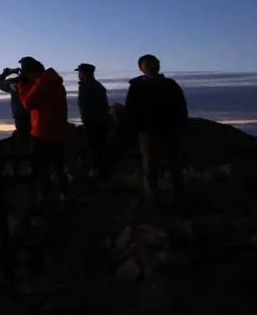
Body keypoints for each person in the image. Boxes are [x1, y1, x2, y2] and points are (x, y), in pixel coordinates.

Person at [124, 54, 188, 210]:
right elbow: (131, 110)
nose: (154, 65)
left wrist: (179, 125)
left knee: (173, 166)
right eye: (150, 63)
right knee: (150, 167)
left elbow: (181, 107)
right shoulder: (137, 87)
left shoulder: (170, 85)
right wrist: (137, 129)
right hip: (148, 132)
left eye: (155, 63)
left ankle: (177, 199)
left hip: (169, 131)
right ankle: (153, 201)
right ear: (141, 67)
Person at [17, 57, 72, 201]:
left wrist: (22, 88)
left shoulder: (44, 83)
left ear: (33, 72)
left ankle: (47, 201)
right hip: (58, 131)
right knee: (58, 167)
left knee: (42, 170)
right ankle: (65, 197)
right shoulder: (54, 82)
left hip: (42, 133)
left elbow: (29, 103)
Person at [75, 63, 112, 178]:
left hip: (93, 122)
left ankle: (96, 172)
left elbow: (85, 104)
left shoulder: (86, 85)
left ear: (83, 73)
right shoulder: (97, 85)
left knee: (94, 147)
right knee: (100, 147)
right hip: (101, 121)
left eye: (79, 72)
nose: (78, 74)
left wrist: (86, 119)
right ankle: (101, 170)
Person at [0, 65, 32, 143]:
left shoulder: (14, 83)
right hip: (39, 118)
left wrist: (5, 74)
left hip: (21, 117)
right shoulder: (41, 81)